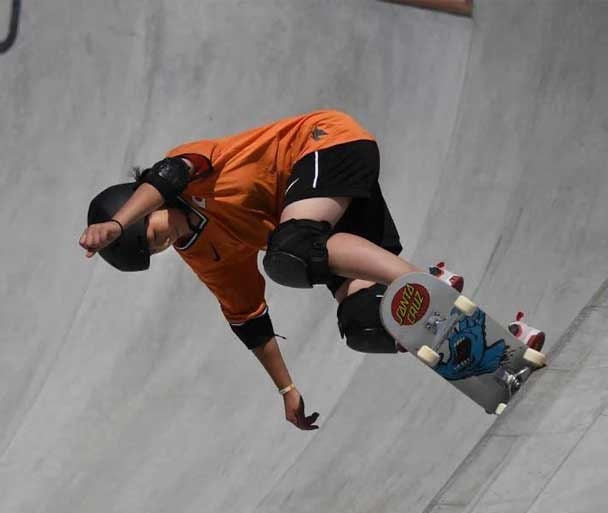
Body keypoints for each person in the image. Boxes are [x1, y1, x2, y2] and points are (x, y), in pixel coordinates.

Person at [79, 110, 544, 431]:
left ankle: (417, 278)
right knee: (363, 322)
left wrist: (117, 225)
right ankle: (497, 346)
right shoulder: (203, 253)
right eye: (161, 248)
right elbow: (248, 319)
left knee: (291, 250)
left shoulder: (192, 171)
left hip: (327, 145)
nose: (170, 241)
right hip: (331, 225)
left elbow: (166, 176)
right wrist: (287, 388)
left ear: (146, 207)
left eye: (158, 231)